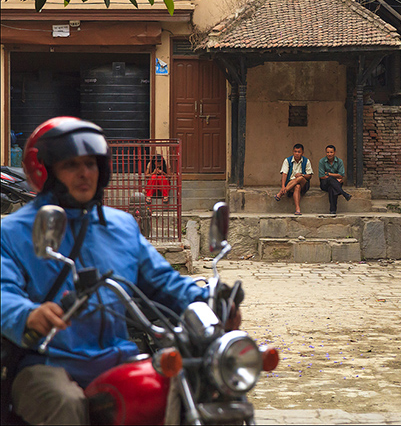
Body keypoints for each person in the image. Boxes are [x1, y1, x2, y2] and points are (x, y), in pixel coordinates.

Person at [0, 117, 240, 425]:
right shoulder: (13, 231)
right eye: (71, 165)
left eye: (91, 163)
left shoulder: (121, 225)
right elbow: (3, 292)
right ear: (45, 171)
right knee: (65, 403)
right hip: (49, 361)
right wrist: (28, 314)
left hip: (118, 355)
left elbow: (163, 281)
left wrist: (211, 297)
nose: (85, 173)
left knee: (182, 387)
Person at [274, 143, 313, 215]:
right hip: (291, 184)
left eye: (299, 152)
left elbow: (309, 175)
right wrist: (283, 186)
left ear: (302, 153)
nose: (297, 154)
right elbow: (284, 174)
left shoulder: (306, 161)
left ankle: (280, 194)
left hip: (303, 184)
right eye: (295, 151)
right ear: (293, 152)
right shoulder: (287, 160)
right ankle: (297, 209)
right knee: (297, 186)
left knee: (300, 178)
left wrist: (302, 175)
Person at [318, 145, 352, 215]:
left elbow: (341, 175)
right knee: (330, 180)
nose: (329, 154)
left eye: (331, 152)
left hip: (336, 184)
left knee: (332, 188)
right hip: (324, 183)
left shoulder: (339, 161)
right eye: (327, 152)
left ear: (334, 152)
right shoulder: (322, 161)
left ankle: (332, 210)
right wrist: (334, 177)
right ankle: (344, 193)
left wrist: (328, 174)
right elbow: (322, 176)